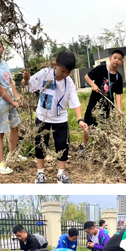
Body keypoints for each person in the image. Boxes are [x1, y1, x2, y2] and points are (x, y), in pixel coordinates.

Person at [22, 51, 86, 184]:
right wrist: (26, 80)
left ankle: (61, 174)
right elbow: (29, 87)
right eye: (62, 71)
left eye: (67, 72)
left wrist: (80, 119)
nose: (64, 75)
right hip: (42, 117)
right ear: (55, 65)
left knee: (62, 146)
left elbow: (75, 101)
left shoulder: (69, 82)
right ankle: (40, 174)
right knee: (40, 144)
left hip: (60, 119)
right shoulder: (45, 74)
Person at [0, 38, 25, 174]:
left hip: (10, 100)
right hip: (0, 102)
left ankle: (13, 154)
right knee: (0, 131)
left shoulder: (5, 64)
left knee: (14, 127)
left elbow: (10, 83)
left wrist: (17, 98)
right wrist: (12, 101)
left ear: (3, 49)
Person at [78, 50, 125, 154]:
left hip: (108, 105)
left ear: (122, 62)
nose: (117, 60)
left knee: (108, 126)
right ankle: (84, 145)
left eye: (120, 59)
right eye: (115, 57)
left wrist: (119, 109)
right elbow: (87, 76)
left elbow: (118, 94)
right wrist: (93, 85)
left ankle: (108, 147)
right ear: (110, 58)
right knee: (88, 124)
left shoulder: (119, 77)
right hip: (95, 102)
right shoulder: (101, 69)